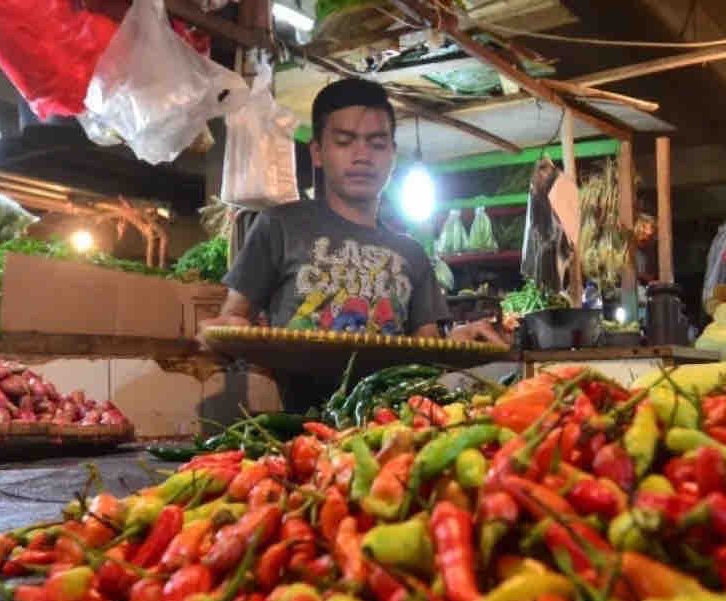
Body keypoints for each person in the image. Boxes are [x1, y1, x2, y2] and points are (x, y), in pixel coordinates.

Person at [201, 78, 505, 411]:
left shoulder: (412, 254)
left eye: (377, 143)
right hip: (295, 431)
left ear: (392, 152)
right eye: (344, 141)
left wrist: (456, 342)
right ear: (318, 152)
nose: (362, 156)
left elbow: (425, 353)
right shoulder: (280, 226)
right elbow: (233, 320)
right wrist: (226, 332)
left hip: (390, 427)